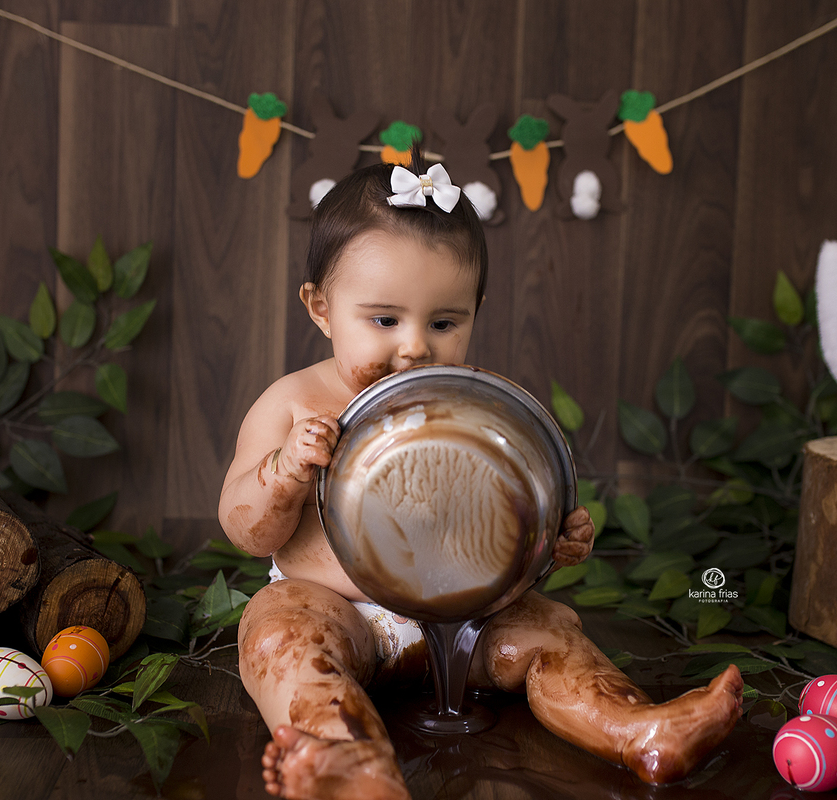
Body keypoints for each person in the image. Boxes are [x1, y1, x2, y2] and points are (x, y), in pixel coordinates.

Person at [219, 151, 743, 800]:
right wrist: (285, 469)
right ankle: (350, 762)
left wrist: (551, 541)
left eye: (443, 322)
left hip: (462, 617)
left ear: (476, 309)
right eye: (384, 320)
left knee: (554, 634)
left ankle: (637, 729)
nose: (415, 346)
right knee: (278, 643)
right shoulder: (292, 407)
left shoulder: (487, 411)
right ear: (321, 308)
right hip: (330, 606)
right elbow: (244, 528)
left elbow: (517, 517)